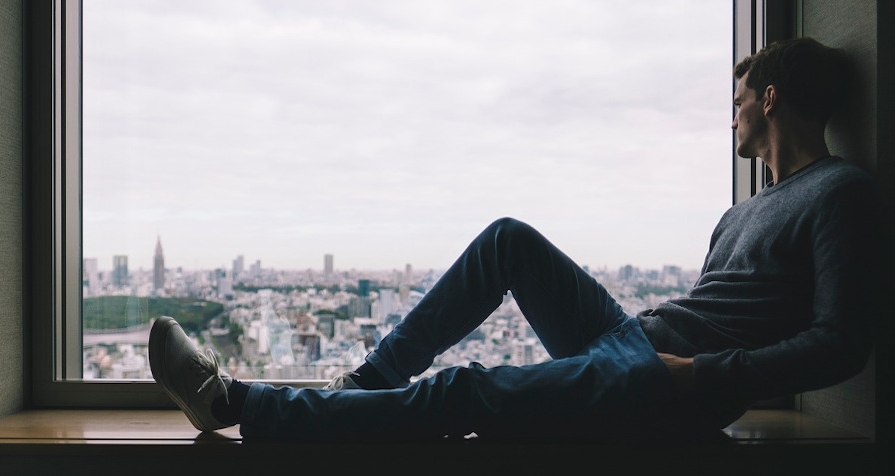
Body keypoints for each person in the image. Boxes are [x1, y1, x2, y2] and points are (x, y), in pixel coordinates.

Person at [148, 37, 892, 442]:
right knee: (507, 240)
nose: (730, 119)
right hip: (640, 342)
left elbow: (841, 343)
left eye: (737, 103)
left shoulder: (840, 191)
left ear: (769, 99)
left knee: (467, 390)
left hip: (667, 381)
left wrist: (699, 376)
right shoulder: (740, 214)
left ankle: (232, 403)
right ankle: (368, 382)